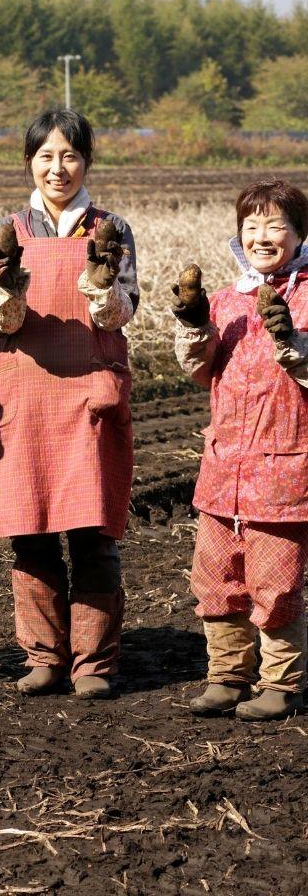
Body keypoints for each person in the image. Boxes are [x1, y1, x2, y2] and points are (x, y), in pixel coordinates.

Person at [0, 110, 137, 700]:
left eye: (69, 155)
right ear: (29, 163)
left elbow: (119, 315)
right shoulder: (6, 230)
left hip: (89, 394)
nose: (57, 167)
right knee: (31, 531)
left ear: (86, 161)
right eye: (45, 156)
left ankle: (93, 663)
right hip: (28, 395)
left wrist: (101, 278)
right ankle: (44, 656)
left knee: (92, 532)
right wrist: (7, 285)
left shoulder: (111, 228)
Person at [172, 178, 308, 721]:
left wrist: (294, 345)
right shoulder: (227, 299)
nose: (261, 235)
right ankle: (227, 676)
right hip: (223, 466)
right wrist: (195, 326)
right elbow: (199, 373)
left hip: (284, 468)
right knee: (216, 578)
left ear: (299, 233)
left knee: (275, 582)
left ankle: (281, 684)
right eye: (251, 225)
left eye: (275, 225)